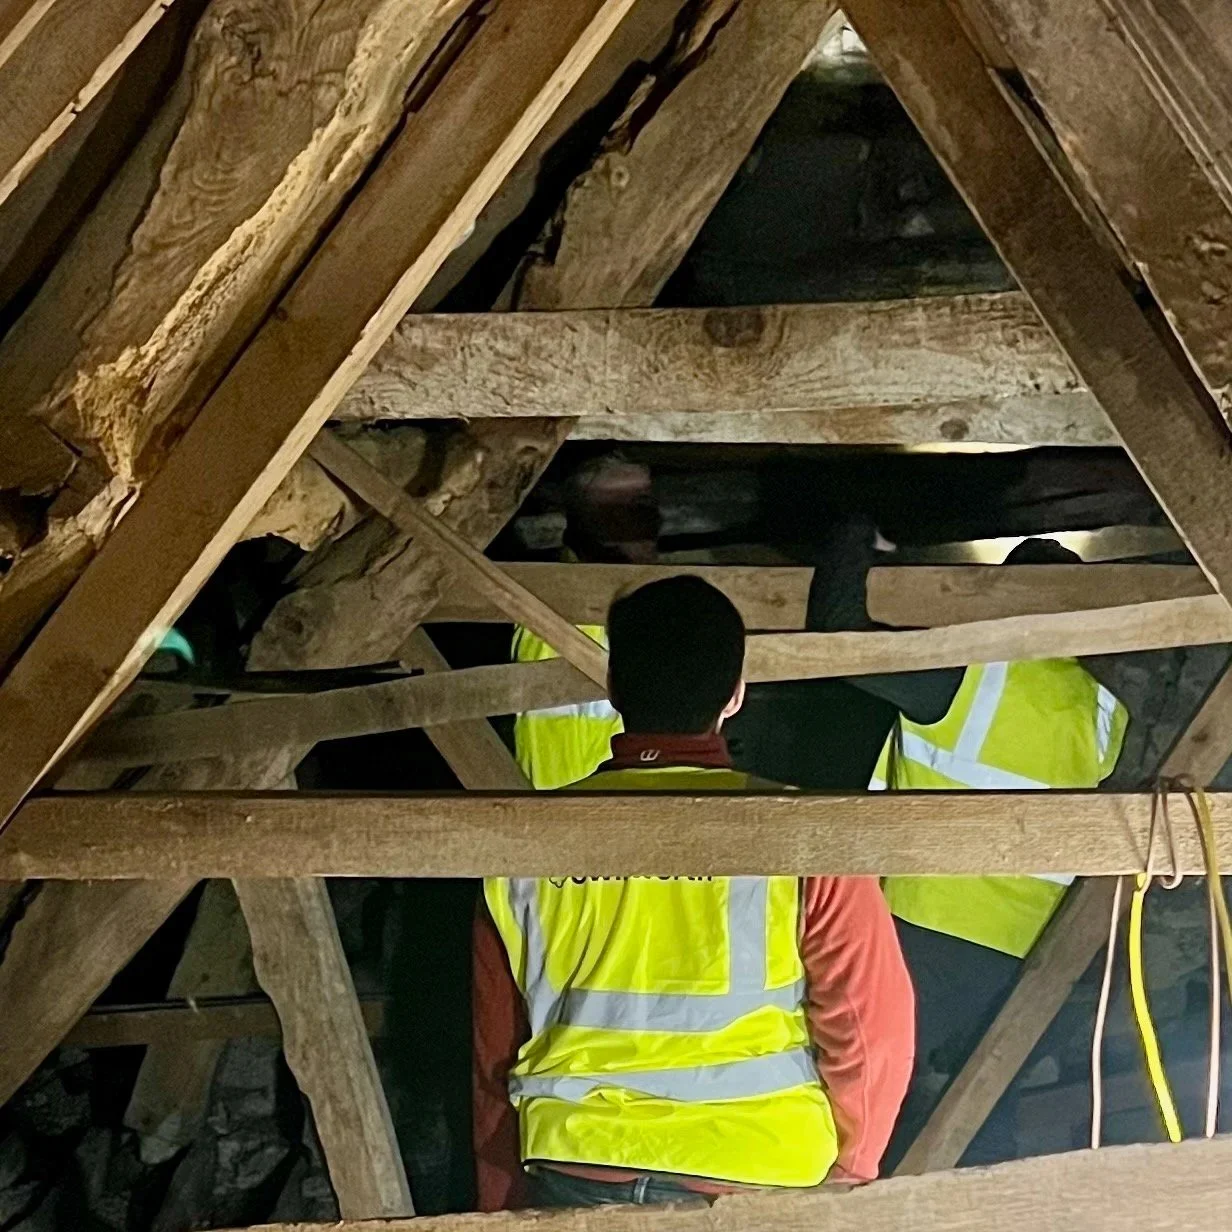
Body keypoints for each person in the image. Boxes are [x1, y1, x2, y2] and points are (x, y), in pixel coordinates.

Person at [473, 576, 915, 1209]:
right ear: (735, 695)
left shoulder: (519, 847)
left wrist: (499, 1202)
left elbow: (495, 1045)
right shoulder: (804, 836)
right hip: (758, 1165)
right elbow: (870, 1023)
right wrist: (855, 1161)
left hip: (579, 1164)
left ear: (613, 688)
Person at [809, 525, 1128, 1167]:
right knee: (980, 1123)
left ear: (998, 597)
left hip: (923, 931)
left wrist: (851, 532)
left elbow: (836, 632)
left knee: (865, 1115)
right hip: (1027, 953)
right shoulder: (1104, 712)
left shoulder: (967, 674)